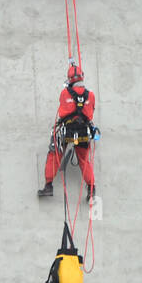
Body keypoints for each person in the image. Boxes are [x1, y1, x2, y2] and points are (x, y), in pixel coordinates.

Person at [38, 62, 98, 202]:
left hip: (67, 131)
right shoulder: (91, 95)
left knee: (55, 154)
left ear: (69, 80)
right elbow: (90, 113)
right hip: (83, 133)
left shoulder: (65, 93)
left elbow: (63, 110)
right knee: (84, 160)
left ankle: (48, 186)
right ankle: (91, 188)